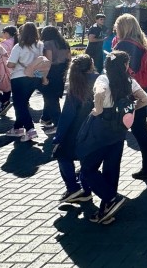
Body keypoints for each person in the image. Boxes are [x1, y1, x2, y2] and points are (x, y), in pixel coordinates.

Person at [80, 51, 147, 224]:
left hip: (101, 128)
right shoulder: (130, 82)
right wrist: (132, 109)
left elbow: (99, 93)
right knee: (112, 169)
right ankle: (107, 207)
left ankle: (111, 198)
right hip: (119, 130)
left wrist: (98, 109)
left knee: (88, 168)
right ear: (125, 65)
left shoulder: (103, 79)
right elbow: (146, 99)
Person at [113, 14, 147, 180]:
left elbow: (116, 70)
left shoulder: (124, 44)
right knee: (141, 129)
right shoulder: (142, 43)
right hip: (142, 91)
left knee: (135, 130)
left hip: (128, 94)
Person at [52, 54, 97, 204]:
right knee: (87, 161)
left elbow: (67, 114)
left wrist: (58, 137)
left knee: (62, 155)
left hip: (77, 129)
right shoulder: (100, 79)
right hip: (97, 128)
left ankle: (73, 187)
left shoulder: (76, 84)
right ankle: (85, 189)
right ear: (91, 65)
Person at [6, 22, 44, 142]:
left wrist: (8, 62)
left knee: (19, 104)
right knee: (23, 103)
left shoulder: (19, 46)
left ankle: (30, 129)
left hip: (19, 77)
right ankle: (17, 128)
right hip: (34, 77)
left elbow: (11, 64)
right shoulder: (40, 45)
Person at [39, 26, 71, 134]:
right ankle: (46, 118)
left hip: (51, 71)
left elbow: (48, 60)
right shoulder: (64, 43)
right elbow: (69, 59)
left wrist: (44, 76)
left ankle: (58, 123)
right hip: (62, 70)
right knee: (53, 95)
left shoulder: (48, 43)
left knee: (50, 97)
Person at [0, 26, 17, 115]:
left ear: (7, 33)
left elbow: (0, 57)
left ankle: (4, 102)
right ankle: (4, 104)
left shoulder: (4, 44)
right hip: (16, 67)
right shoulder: (17, 42)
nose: (2, 34)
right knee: (8, 86)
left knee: (0, 86)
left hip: (5, 67)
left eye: (3, 32)